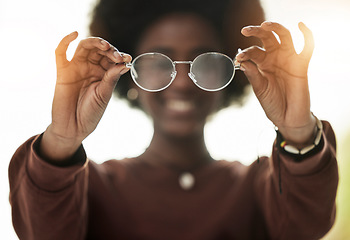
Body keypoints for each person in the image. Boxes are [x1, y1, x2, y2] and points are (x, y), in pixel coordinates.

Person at [9, 0, 338, 239]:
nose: (181, 82)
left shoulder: (259, 187)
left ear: (232, 76)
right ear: (127, 73)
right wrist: (62, 141)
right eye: (158, 61)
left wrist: (298, 133)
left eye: (204, 61)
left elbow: (305, 226)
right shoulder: (91, 187)